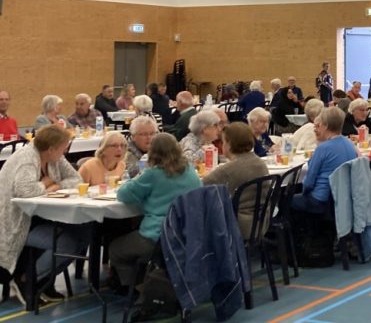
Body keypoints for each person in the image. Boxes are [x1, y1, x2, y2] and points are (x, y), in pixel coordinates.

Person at [0, 125, 87, 304]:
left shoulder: (55, 157)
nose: (66, 150)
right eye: (64, 147)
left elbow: (76, 179)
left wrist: (55, 185)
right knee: (67, 243)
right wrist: (45, 184)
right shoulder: (27, 158)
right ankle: (26, 280)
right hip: (14, 221)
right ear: (51, 148)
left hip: (40, 215)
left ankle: (44, 282)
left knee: (83, 235)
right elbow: (23, 190)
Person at [109, 133, 201, 289]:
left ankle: (133, 287)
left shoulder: (153, 174)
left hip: (158, 235)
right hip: (186, 233)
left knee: (116, 249)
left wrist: (135, 179)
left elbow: (123, 194)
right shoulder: (190, 171)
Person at [203, 122, 269, 239]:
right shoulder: (260, 162)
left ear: (229, 145)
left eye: (223, 142)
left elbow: (200, 186)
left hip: (238, 225)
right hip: (262, 220)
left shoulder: (228, 170)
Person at [291, 107, 357, 215]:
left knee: (285, 199)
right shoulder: (349, 143)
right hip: (341, 197)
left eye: (318, 125)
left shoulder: (324, 148)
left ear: (325, 126)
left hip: (321, 199)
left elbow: (308, 183)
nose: (315, 129)